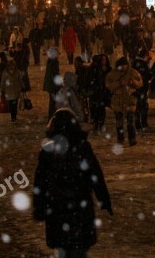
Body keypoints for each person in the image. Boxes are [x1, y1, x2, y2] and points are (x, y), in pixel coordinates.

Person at [34, 109, 112, 258]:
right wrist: (104, 199)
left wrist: (39, 207)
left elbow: (40, 181)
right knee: (79, 249)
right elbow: (95, 174)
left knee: (64, 250)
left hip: (58, 207)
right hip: (79, 205)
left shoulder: (49, 150)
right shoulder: (82, 147)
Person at [105, 57, 143, 146]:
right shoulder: (112, 74)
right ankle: (120, 138)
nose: (123, 67)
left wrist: (132, 82)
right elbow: (108, 85)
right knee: (119, 122)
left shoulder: (133, 72)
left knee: (130, 121)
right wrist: (119, 83)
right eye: (121, 66)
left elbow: (140, 83)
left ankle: (132, 138)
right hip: (117, 100)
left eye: (124, 65)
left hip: (129, 100)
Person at [131, 49, 152, 132]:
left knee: (138, 107)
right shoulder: (144, 64)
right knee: (143, 107)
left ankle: (138, 124)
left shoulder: (134, 63)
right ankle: (143, 123)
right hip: (142, 88)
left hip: (136, 88)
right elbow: (148, 75)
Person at [43, 50, 61, 119]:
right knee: (53, 101)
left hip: (50, 84)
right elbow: (55, 74)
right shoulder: (54, 62)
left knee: (52, 101)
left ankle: (51, 115)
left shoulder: (50, 61)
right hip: (53, 85)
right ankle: (52, 116)